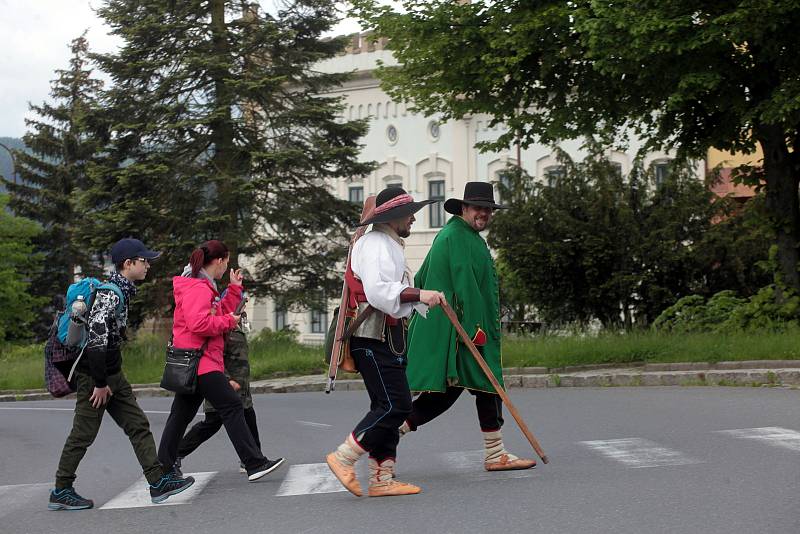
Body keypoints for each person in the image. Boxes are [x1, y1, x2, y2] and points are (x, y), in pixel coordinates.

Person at [49, 238, 195, 511]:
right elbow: (96, 341)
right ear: (128, 264)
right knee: (83, 434)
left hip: (112, 374)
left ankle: (157, 482)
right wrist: (101, 383)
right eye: (144, 261)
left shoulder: (122, 291)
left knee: (138, 425)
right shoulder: (111, 294)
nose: (148, 265)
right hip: (95, 377)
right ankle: (61, 489)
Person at [402, 182, 537, 471]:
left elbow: (423, 277)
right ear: (463, 208)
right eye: (478, 208)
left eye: (488, 209)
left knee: (455, 391)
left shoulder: (458, 235)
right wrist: (475, 328)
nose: (484, 214)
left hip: (455, 327)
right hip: (461, 330)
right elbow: (464, 287)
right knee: (477, 386)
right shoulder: (458, 237)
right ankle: (494, 453)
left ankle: (393, 430)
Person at [325, 187, 446, 498]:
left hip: (385, 337)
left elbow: (391, 291)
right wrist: (420, 294)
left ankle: (382, 477)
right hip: (373, 336)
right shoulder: (376, 244)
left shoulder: (386, 242)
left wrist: (421, 300)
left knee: (388, 405)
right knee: (396, 405)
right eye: (409, 213)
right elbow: (380, 292)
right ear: (393, 217)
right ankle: (344, 457)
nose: (414, 218)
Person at [157, 240, 284, 482]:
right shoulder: (198, 287)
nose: (227, 266)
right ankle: (253, 463)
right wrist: (229, 322)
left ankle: (163, 465)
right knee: (232, 406)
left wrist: (234, 289)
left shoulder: (206, 285)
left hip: (199, 361)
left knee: (181, 415)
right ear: (218, 261)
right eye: (227, 261)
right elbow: (199, 323)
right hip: (201, 361)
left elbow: (219, 311)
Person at [173, 292, 258, 475]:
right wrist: (227, 379)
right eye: (241, 303)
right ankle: (176, 453)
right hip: (222, 383)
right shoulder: (222, 325)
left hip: (241, 386)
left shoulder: (236, 326)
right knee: (211, 423)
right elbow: (214, 354)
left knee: (248, 415)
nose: (243, 307)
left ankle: (253, 459)